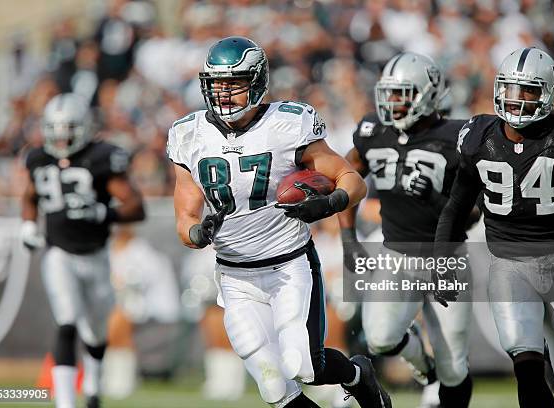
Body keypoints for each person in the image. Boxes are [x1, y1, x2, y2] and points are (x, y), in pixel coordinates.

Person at [167, 36, 391, 408]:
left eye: (234, 83)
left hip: (290, 265)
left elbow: (353, 180)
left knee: (304, 366)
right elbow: (185, 218)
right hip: (235, 276)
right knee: (273, 387)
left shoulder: (288, 124)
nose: (224, 93)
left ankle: (357, 375)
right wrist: (197, 232)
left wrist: (329, 203)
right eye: (217, 83)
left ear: (256, 81)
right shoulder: (189, 133)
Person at [435, 47, 554, 407]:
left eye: (529, 91)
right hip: (508, 265)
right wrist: (441, 263)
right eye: (511, 88)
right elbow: (457, 207)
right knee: (524, 360)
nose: (517, 99)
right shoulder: (478, 136)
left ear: (550, 93)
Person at [338, 52, 474, 408]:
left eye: (403, 94)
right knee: (380, 338)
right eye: (389, 93)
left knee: (454, 366)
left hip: (449, 258)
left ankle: (440, 378)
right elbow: (346, 181)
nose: (393, 103)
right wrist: (348, 240)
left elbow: (473, 212)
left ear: (428, 94)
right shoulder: (374, 132)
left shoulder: (458, 137)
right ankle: (424, 369)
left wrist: (433, 198)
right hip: (395, 253)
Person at [21, 93, 146, 408]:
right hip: (59, 253)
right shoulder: (38, 158)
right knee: (66, 321)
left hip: (97, 254)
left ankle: (92, 384)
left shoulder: (102, 156)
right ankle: (65, 403)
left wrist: (106, 213)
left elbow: (136, 207)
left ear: (84, 128)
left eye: (68, 130)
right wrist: (28, 226)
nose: (61, 138)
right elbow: (29, 197)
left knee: (96, 330)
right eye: (55, 130)